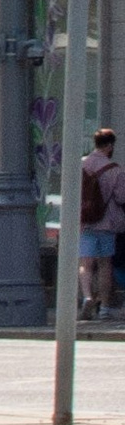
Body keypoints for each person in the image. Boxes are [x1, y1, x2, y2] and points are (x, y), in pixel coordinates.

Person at [82, 131, 122, 322]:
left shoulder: (81, 164)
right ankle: (104, 308)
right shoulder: (115, 169)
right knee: (105, 264)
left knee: (86, 264)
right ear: (110, 146)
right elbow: (122, 197)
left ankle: (87, 297)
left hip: (84, 222)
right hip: (107, 223)